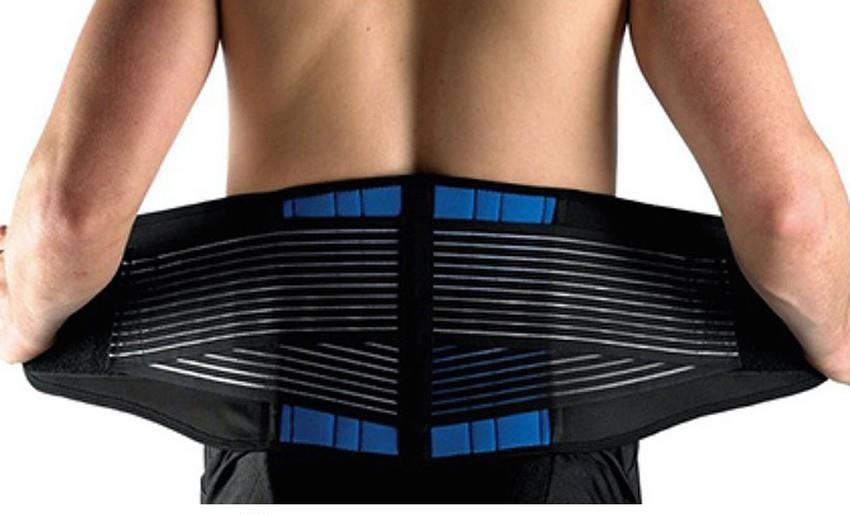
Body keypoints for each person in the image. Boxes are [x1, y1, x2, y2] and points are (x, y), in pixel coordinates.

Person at [1, 0, 848, 504]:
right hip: (547, 455)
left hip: (283, 447)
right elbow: (793, 217)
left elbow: (67, 222)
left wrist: (20, 318)